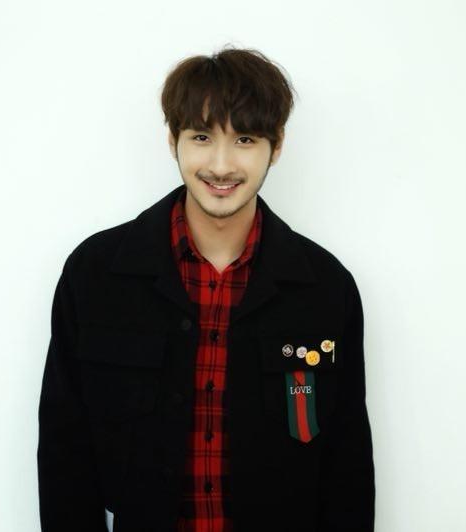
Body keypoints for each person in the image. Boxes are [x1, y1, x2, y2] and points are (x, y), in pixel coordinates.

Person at [37, 45, 375, 532]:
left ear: (277, 145)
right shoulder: (95, 274)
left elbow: (347, 463)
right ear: (172, 140)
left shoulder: (325, 288)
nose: (220, 165)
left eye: (244, 139)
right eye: (201, 136)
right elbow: (64, 450)